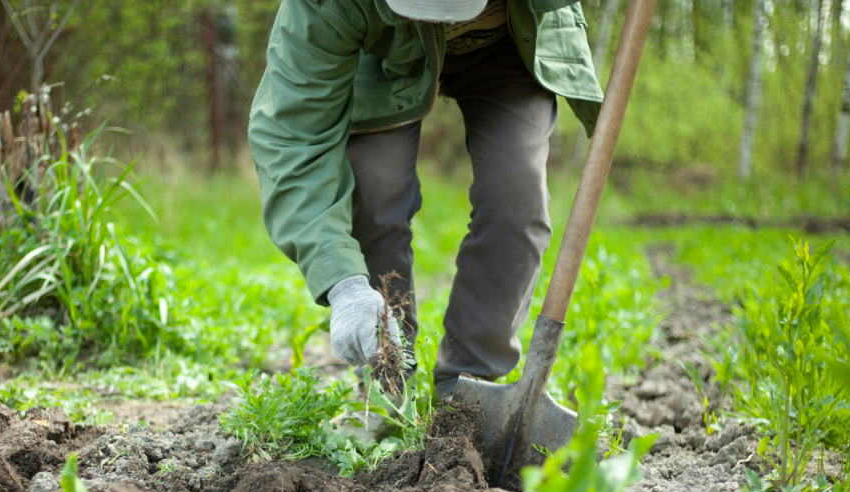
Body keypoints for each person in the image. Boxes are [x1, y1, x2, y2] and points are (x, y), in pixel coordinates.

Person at [249, 0, 603, 399]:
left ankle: (469, 391)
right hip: (381, 48)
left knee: (516, 198)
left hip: (511, 37)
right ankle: (388, 380)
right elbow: (293, 136)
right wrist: (343, 284)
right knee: (373, 190)